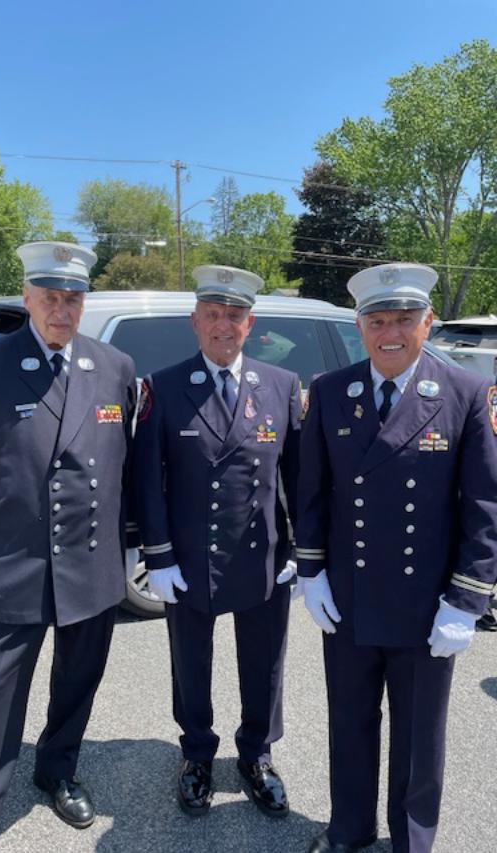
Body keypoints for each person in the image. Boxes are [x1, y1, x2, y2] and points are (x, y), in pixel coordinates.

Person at [295, 263, 497, 853]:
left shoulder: (464, 392)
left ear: (427, 322)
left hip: (426, 602)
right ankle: (349, 830)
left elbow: (484, 504)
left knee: (418, 735)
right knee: (349, 722)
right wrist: (311, 571)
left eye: (404, 320)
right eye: (377, 321)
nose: (390, 333)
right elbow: (312, 490)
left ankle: (412, 841)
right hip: (350, 596)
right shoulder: (331, 390)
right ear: (360, 326)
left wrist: (466, 599)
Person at [0, 241, 138, 852]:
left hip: (92, 558)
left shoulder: (114, 366)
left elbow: (126, 466)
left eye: (73, 298)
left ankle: (57, 770)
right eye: (50, 297)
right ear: (27, 297)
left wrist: (130, 545)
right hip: (17, 560)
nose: (61, 310)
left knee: (79, 681)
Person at [133, 265, 301, 818]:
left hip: (262, 554)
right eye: (213, 315)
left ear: (250, 324)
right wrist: (157, 555)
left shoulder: (281, 385)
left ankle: (257, 753)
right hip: (189, 557)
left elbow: (299, 477)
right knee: (190, 662)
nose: (223, 325)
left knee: (264, 663)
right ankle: (197, 753)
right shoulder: (163, 386)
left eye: (234, 315)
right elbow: (147, 479)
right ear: (195, 321)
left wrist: (302, 551)